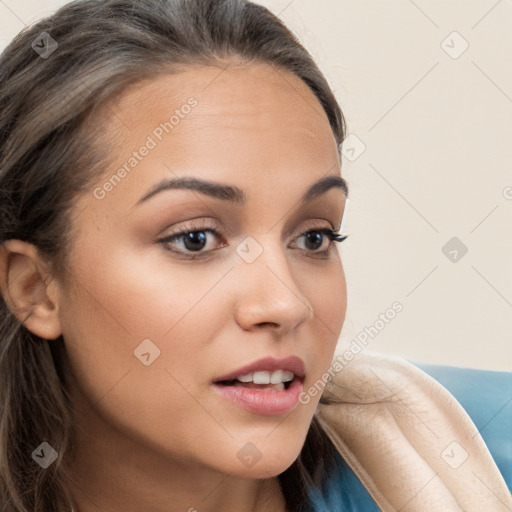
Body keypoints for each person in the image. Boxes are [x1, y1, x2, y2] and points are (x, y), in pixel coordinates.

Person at [0, 1, 510, 511]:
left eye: (314, 237)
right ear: (35, 288)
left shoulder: (479, 452)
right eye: (195, 239)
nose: (286, 305)